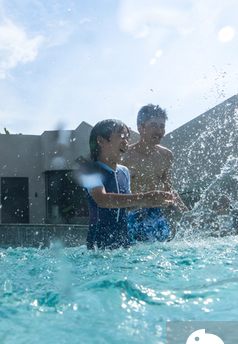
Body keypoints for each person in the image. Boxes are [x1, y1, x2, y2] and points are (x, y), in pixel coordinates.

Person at [80, 119, 174, 249]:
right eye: (121, 136)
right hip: (98, 248)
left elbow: (128, 207)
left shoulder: (124, 172)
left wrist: (152, 202)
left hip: (124, 245)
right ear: (101, 141)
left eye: (128, 138)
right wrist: (145, 196)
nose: (126, 141)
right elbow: (102, 200)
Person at [122, 104, 188, 243]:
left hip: (156, 216)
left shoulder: (166, 155)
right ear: (140, 128)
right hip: (130, 215)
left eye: (162, 126)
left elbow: (169, 188)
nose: (159, 131)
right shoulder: (125, 156)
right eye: (153, 125)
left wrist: (187, 214)